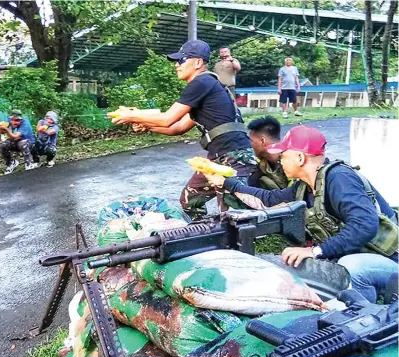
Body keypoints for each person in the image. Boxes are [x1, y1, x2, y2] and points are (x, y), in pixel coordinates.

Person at [204, 125, 398, 303]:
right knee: (305, 267)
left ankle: (366, 319)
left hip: (391, 260)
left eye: (283, 155)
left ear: (300, 158)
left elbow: (365, 225)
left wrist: (315, 251)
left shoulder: (339, 179)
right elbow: (268, 200)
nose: (280, 160)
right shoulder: (305, 186)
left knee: (351, 266)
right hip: (366, 255)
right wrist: (227, 183)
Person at [111, 40, 257, 219]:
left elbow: (167, 119)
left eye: (181, 60)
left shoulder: (201, 82)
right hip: (218, 158)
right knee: (190, 200)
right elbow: (178, 127)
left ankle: (241, 243)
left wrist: (131, 115)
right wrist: (147, 125)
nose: (177, 66)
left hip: (235, 158)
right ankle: (201, 235)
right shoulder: (205, 86)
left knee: (234, 218)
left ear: (198, 63)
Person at [247, 116, 290, 190]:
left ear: (262, 141)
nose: (250, 145)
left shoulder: (291, 161)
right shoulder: (262, 163)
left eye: (251, 141)